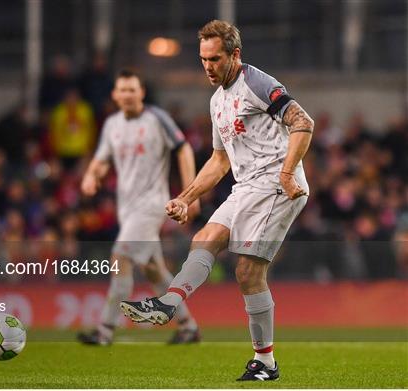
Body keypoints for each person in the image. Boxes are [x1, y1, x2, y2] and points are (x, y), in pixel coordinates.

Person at [120, 20, 314, 381]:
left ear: (235, 55)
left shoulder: (257, 83)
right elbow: (219, 160)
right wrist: (185, 197)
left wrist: (287, 173)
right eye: (203, 59)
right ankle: (168, 303)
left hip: (276, 185)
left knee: (247, 271)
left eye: (215, 58)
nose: (208, 66)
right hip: (246, 185)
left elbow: (303, 122)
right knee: (203, 239)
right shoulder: (217, 101)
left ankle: (265, 362)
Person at [77, 69, 201, 345]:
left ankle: (105, 330)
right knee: (154, 270)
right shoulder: (112, 125)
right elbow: (101, 159)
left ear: (141, 92)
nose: (128, 95)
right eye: (123, 90)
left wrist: (190, 193)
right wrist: (90, 175)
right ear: (115, 95)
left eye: (133, 89)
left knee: (120, 256)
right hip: (128, 209)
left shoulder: (157, 119)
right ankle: (188, 326)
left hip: (152, 205)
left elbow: (184, 149)